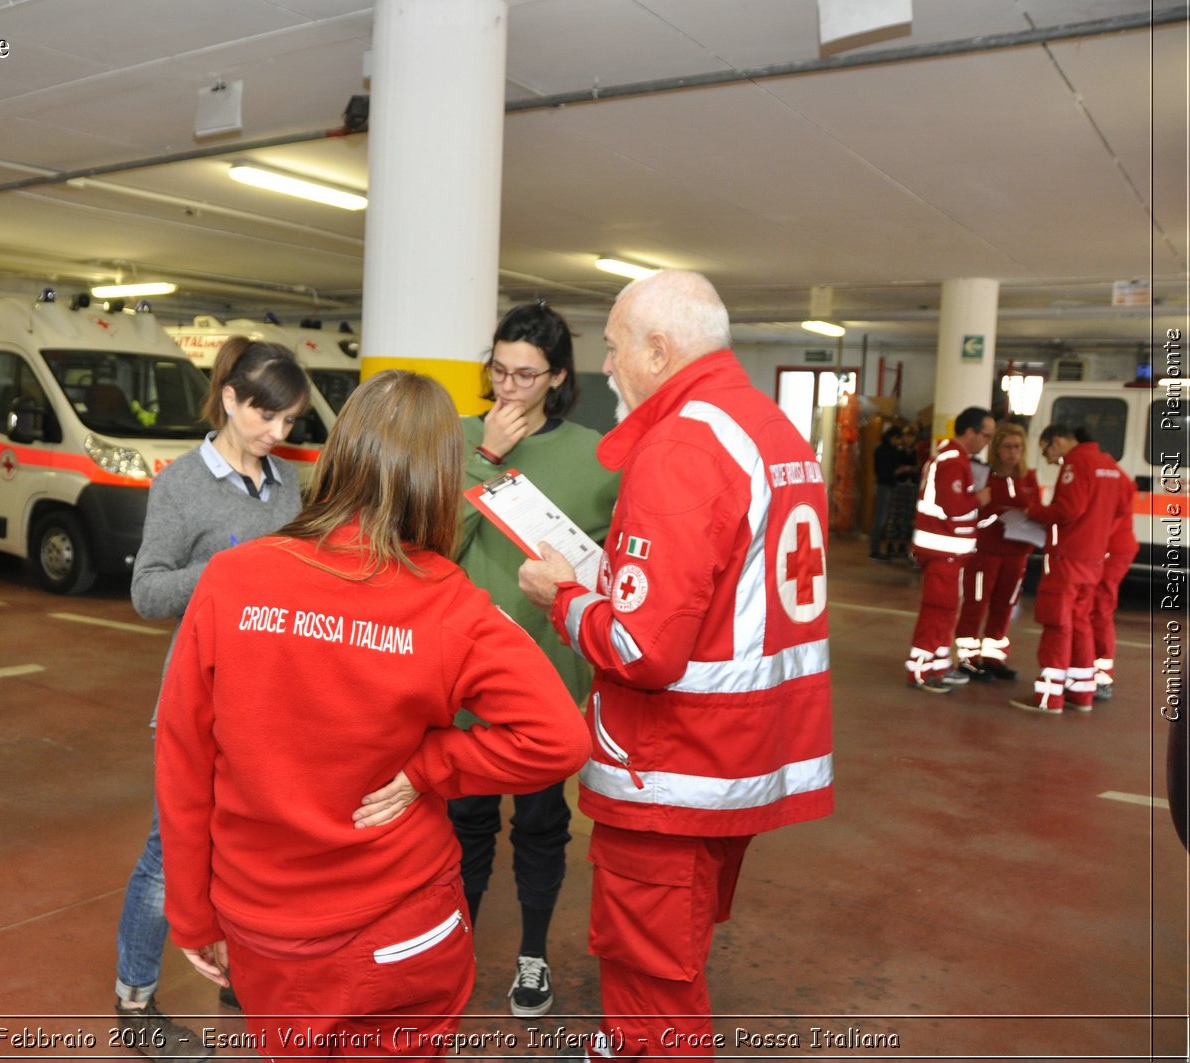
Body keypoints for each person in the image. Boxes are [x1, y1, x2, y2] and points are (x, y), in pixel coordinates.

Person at [155, 370, 590, 1058]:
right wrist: (432, 766)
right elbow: (560, 738)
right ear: (441, 477)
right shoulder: (447, 601)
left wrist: (189, 908)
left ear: (340, 454)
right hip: (399, 923)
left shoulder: (233, 579)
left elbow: (183, 756)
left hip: (262, 925)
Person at [519, 270, 834, 1058]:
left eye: (616, 347)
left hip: (671, 763)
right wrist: (611, 578)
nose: (609, 366)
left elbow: (640, 649)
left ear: (659, 349)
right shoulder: (766, 426)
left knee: (649, 971)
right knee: (674, 947)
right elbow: (725, 589)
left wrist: (562, 597)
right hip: (747, 750)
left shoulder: (684, 443)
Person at [113, 338, 310, 1056]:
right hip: (203, 697)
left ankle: (237, 974)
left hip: (276, 700)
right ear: (230, 398)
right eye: (268, 417)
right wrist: (226, 570)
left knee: (253, 843)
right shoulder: (180, 484)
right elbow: (147, 592)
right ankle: (135, 1000)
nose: (278, 436)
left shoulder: (290, 485)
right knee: (171, 854)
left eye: (290, 422)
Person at [450, 301, 619, 1018]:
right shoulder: (457, 439)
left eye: (526, 375)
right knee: (465, 825)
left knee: (544, 824)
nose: (508, 388)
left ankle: (533, 954)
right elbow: (429, 545)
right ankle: (452, 951)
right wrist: (483, 456)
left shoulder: (597, 455)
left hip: (549, 677)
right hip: (463, 676)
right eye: (498, 370)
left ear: (556, 377)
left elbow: (613, 570)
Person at [1010, 424, 1124, 714]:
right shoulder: (1108, 463)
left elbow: (1067, 509)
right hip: (1093, 557)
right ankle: (1081, 694)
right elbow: (1122, 505)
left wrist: (1033, 511)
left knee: (1057, 623)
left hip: (1068, 558)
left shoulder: (1076, 462)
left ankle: (1049, 698)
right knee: (1081, 623)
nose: (1050, 459)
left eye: (1047, 451)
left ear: (1057, 441)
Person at [905, 407, 996, 693]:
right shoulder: (953, 461)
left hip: (948, 551)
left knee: (946, 610)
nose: (986, 442)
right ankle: (921, 670)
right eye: (985, 436)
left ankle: (939, 665)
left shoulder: (952, 458)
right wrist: (979, 498)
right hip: (941, 549)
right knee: (938, 610)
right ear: (969, 432)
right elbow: (954, 506)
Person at [952, 422, 1040, 681]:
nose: (1013, 452)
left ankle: (993, 656)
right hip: (985, 552)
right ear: (996, 449)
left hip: (1017, 553)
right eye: (1007, 447)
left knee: (1005, 605)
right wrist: (995, 516)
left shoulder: (1028, 477)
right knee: (975, 604)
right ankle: (968, 658)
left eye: (1018, 447)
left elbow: (1035, 509)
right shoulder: (984, 476)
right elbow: (971, 512)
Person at [1089, 433, 1139, 702]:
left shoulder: (1105, 474)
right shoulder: (1112, 472)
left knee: (1099, 608)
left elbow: (1111, 517)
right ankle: (1094, 670)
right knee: (1096, 608)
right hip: (1113, 548)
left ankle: (1100, 674)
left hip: (1110, 550)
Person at [868, 425, 919, 560]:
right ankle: (874, 551)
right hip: (885, 485)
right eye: (899, 439)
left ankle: (876, 549)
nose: (900, 442)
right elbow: (885, 471)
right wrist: (900, 470)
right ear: (893, 438)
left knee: (883, 517)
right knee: (881, 518)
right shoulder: (885, 451)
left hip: (887, 485)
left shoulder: (886, 449)